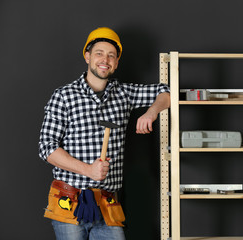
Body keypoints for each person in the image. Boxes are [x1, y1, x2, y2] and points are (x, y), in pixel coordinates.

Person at [38, 27, 170, 240]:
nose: (105, 59)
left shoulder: (124, 94)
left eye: (111, 55)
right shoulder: (64, 96)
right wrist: (88, 170)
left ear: (116, 63)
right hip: (69, 200)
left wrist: (151, 112)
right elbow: (46, 147)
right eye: (99, 53)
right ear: (87, 56)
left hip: (107, 204)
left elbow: (167, 92)